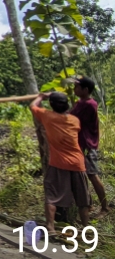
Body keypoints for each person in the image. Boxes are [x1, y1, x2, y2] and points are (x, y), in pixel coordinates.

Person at [30, 91, 91, 233]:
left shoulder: (48, 116)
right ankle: (86, 228)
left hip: (58, 163)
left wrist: (40, 96)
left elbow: (33, 106)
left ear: (51, 105)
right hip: (77, 163)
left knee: (51, 196)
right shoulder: (75, 121)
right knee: (83, 199)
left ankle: (50, 227)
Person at [70, 75, 110, 217]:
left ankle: (105, 208)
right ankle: (90, 204)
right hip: (81, 144)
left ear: (85, 90)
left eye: (77, 87)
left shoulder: (88, 104)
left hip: (87, 145)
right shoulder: (81, 102)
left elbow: (72, 117)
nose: (74, 89)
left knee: (92, 175)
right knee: (83, 175)